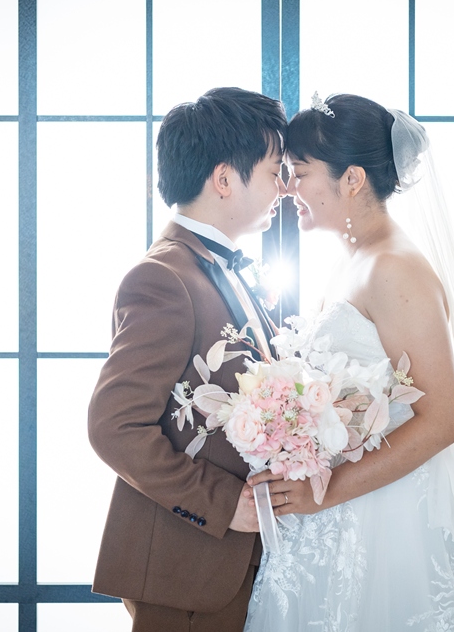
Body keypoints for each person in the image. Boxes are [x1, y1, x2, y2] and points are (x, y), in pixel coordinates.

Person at [243, 94, 454, 631]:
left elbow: (444, 418)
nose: (288, 188)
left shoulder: (395, 269)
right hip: (335, 513)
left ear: (352, 179)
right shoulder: (353, 259)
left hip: (385, 520)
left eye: (300, 173)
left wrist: (326, 491)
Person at [87, 87, 288, 632]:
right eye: (273, 172)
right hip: (189, 572)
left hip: (241, 566)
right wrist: (223, 503)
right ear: (224, 179)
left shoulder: (221, 268)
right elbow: (114, 428)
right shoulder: (163, 278)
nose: (283, 187)